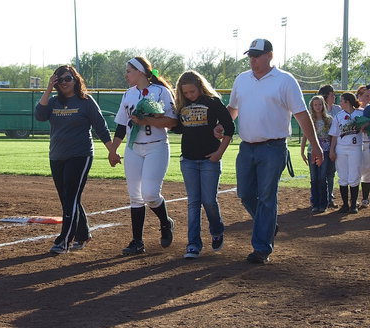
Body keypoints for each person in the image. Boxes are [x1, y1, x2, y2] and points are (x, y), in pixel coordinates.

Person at [215, 38, 323, 264]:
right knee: (245, 194)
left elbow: (301, 114)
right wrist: (222, 124)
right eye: (250, 56)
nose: (252, 60)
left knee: (266, 197)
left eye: (257, 56)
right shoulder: (241, 80)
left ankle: (261, 248)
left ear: (270, 55)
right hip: (246, 147)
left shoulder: (284, 80)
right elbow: (233, 109)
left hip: (273, 148)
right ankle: (269, 225)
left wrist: (315, 144)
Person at [35, 65, 113, 254]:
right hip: (57, 155)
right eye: (60, 80)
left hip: (80, 155)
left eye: (67, 78)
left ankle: (64, 240)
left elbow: (100, 127)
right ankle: (83, 234)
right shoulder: (53, 102)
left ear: (75, 80)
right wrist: (47, 89)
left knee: (70, 197)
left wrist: (112, 150)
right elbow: (39, 115)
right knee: (68, 198)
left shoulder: (86, 101)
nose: (64, 83)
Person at [109, 57, 177, 256]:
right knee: (135, 196)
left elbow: (172, 122)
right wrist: (113, 150)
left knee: (150, 194)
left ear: (140, 72)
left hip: (156, 147)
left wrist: (147, 119)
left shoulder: (161, 92)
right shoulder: (128, 95)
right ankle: (137, 242)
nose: (126, 74)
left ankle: (165, 223)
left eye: (129, 70)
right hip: (133, 149)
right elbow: (121, 126)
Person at [173, 70, 235, 259]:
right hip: (189, 160)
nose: (190, 96)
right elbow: (177, 128)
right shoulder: (182, 106)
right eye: (186, 93)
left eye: (192, 91)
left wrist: (219, 153)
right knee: (193, 202)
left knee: (208, 200)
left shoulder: (213, 102)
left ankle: (217, 229)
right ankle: (193, 244)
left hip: (209, 160)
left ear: (200, 87)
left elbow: (230, 128)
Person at [329, 92, 363, 214]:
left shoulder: (361, 113)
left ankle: (353, 204)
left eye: (342, 100)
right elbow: (334, 135)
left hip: (356, 148)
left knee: (354, 176)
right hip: (341, 149)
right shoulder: (339, 116)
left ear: (347, 102)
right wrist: (332, 150)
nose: (340, 103)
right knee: (342, 176)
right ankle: (345, 205)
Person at [300, 96, 332, 213]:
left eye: (320, 104)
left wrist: (333, 150)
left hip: (325, 150)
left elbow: (332, 136)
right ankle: (315, 203)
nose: (318, 107)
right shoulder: (310, 120)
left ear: (323, 105)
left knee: (322, 177)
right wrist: (302, 151)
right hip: (311, 151)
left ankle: (324, 203)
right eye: (315, 105)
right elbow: (305, 136)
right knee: (314, 178)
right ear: (312, 107)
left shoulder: (328, 120)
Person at [318, 85, 341, 208]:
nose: (334, 97)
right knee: (320, 174)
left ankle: (330, 198)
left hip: (336, 145)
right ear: (326, 96)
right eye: (332, 95)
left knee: (331, 173)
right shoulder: (319, 109)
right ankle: (320, 198)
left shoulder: (337, 109)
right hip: (322, 147)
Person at [356, 85, 370, 208]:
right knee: (365, 172)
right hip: (364, 144)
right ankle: (365, 198)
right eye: (366, 95)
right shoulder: (360, 111)